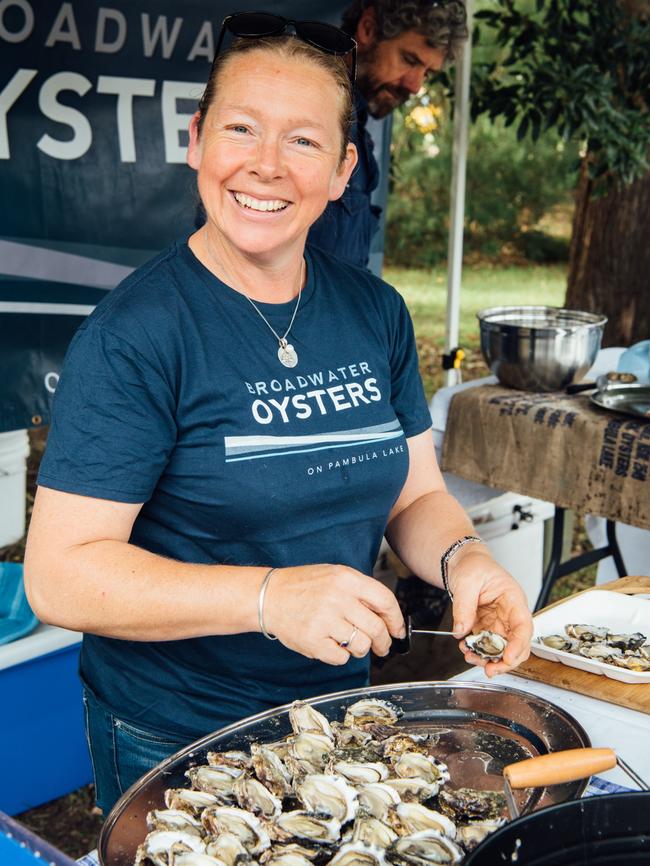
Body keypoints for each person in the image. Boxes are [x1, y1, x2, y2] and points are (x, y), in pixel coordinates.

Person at [24, 12, 531, 816]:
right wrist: (269, 597)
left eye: (302, 141)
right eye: (241, 129)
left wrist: (465, 559)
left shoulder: (374, 313)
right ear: (196, 141)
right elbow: (61, 576)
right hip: (178, 736)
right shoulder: (138, 335)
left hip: (336, 716)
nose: (265, 166)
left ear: (341, 170)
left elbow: (416, 495)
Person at [308, 0, 468, 267]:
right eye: (409, 59)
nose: (415, 86)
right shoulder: (303, 109)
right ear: (368, 28)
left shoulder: (357, 127)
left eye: (427, 73)